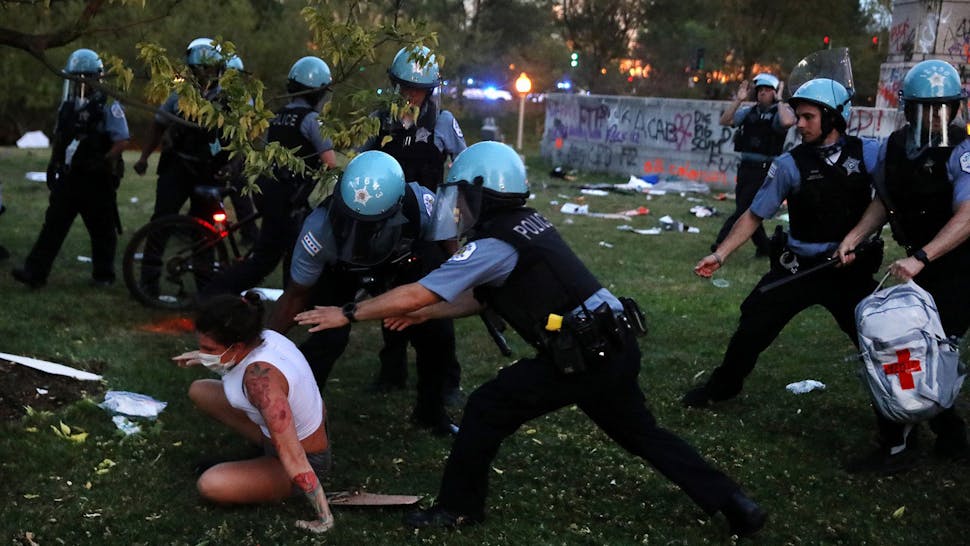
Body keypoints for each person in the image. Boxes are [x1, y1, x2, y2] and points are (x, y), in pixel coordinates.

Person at [292, 141, 766, 537]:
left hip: (581, 354)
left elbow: (418, 289)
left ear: (484, 195)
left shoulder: (493, 243)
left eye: (464, 195)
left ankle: (457, 508)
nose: (458, 206)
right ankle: (734, 502)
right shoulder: (526, 224)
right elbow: (480, 299)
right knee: (642, 433)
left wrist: (348, 312)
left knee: (485, 408)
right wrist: (426, 314)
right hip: (615, 343)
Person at [685, 78, 882, 408]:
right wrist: (719, 255)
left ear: (833, 118)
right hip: (800, 267)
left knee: (881, 336)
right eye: (798, 116)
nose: (799, 124)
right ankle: (722, 387)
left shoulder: (869, 154)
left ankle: (918, 419)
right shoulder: (789, 165)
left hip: (849, 270)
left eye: (808, 117)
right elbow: (753, 215)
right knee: (753, 323)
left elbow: (891, 197)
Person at [837, 59, 970, 473]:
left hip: (957, 266)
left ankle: (898, 442)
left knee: (922, 348)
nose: (937, 117)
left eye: (945, 107)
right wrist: (854, 237)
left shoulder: (964, 151)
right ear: (909, 108)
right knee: (914, 349)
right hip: (917, 261)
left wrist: (921, 258)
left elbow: (968, 216)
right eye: (928, 108)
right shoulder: (895, 147)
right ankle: (946, 433)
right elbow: (885, 201)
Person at [267, 150, 458, 436]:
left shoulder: (425, 206)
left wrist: (448, 287)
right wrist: (261, 348)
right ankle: (298, 419)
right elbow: (296, 295)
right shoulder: (319, 230)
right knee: (326, 337)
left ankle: (431, 412)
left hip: (404, 261)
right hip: (341, 270)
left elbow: (449, 251)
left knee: (436, 331)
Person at [173, 292, 334, 534]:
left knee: (211, 484)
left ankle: (277, 477)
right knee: (200, 390)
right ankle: (259, 463)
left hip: (304, 457)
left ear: (237, 346)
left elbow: (294, 456)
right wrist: (203, 356)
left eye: (209, 348)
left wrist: (324, 518)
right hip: (292, 431)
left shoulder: (260, 382)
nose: (203, 351)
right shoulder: (265, 337)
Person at [360, 45, 467, 398]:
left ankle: (446, 378)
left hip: (431, 222)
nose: (410, 94)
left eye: (417, 87)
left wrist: (453, 227)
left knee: (434, 300)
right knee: (389, 293)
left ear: (431, 89)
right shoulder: (378, 119)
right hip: (388, 222)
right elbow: (362, 165)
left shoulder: (443, 122)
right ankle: (391, 371)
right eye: (404, 86)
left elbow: (462, 170)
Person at [200, 56, 337, 299]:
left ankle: (292, 300)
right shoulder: (312, 120)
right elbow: (331, 165)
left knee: (290, 249)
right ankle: (215, 293)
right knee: (266, 258)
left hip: (270, 190)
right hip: (289, 198)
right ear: (318, 92)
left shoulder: (278, 115)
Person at [12, 48, 129, 288]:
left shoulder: (108, 107)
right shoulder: (68, 106)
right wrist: (53, 164)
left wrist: (105, 159)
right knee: (53, 225)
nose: (78, 83)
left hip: (97, 180)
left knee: (102, 229)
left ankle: (103, 276)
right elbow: (61, 137)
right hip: (71, 177)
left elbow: (121, 140)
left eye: (82, 78)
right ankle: (34, 273)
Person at [133, 38, 235, 220]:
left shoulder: (230, 100)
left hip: (209, 170)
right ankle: (154, 248)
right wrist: (143, 158)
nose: (204, 75)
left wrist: (232, 166)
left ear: (220, 69)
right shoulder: (178, 96)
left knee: (207, 225)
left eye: (208, 69)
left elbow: (241, 140)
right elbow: (158, 125)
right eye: (198, 69)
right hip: (177, 166)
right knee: (162, 218)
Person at [713, 74, 796, 257]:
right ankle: (765, 248)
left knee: (743, 208)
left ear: (773, 93)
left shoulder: (777, 113)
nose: (762, 94)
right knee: (749, 207)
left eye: (767, 91)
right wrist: (739, 100)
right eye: (760, 91)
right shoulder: (749, 112)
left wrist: (780, 100)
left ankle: (721, 243)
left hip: (765, 168)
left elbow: (788, 121)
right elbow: (725, 121)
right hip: (746, 167)